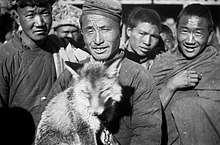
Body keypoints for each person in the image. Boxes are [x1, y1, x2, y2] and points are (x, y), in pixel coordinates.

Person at [41, 0, 162, 144]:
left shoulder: (139, 77)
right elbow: (47, 121)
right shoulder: (72, 74)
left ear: (121, 29)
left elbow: (148, 136)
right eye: (90, 30)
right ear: (82, 33)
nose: (98, 40)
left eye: (105, 29)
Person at [150, 3, 220, 145]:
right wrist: (170, 86)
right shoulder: (162, 63)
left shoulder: (216, 66)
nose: (189, 41)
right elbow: (147, 115)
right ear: (176, 31)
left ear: (209, 35)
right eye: (184, 31)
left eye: (198, 33)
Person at [0, 0, 68, 131]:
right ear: (17, 17)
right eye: (30, 15)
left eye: (44, 13)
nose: (40, 23)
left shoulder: (61, 48)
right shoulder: (5, 57)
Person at [51, 1, 90, 72]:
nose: (70, 36)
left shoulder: (87, 53)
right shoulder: (51, 52)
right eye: (65, 32)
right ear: (55, 32)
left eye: (74, 32)